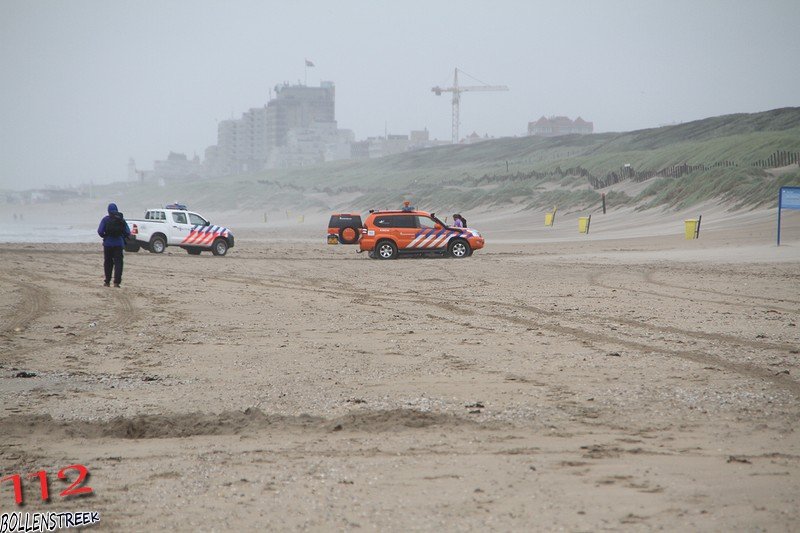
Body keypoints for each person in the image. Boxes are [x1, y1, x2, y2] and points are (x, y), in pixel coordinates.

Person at [97, 202, 130, 287]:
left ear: (108, 210)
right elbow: (127, 232)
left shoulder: (105, 219)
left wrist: (105, 236)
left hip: (108, 244)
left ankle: (107, 281)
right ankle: (116, 282)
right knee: (118, 263)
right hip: (119, 244)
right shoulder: (121, 220)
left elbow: (100, 231)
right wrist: (122, 236)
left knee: (108, 262)